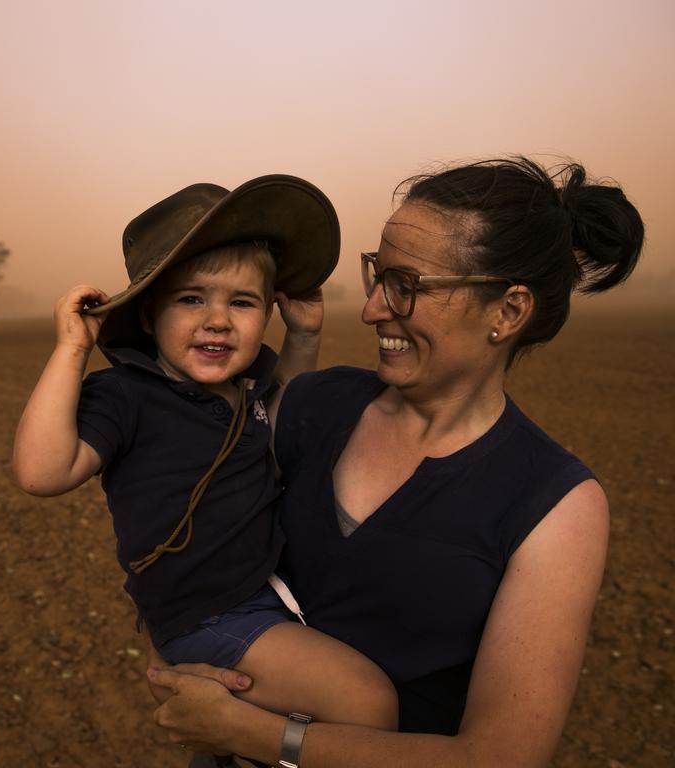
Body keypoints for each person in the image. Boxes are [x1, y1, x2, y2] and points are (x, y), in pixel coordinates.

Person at [147, 157, 644, 768]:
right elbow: (190, 515)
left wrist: (248, 733)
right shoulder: (313, 404)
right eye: (377, 275)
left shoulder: (555, 504)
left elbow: (503, 757)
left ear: (508, 312)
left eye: (407, 286)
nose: (372, 308)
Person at [13, 175, 398, 738]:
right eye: (191, 299)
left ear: (268, 311)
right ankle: (251, 739)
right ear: (148, 315)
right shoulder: (128, 395)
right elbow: (41, 473)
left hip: (268, 589)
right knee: (367, 703)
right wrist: (73, 349)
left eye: (241, 303)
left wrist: (305, 337)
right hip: (209, 615)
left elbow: (283, 422)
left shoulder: (248, 387)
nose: (217, 319)